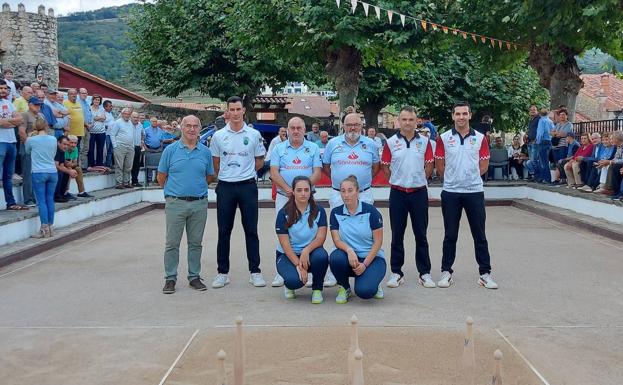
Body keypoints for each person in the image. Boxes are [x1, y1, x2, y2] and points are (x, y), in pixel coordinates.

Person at [434, 101, 498, 289]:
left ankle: (485, 273)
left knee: (479, 234)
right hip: (451, 192)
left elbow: (484, 165)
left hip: (474, 192)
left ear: (470, 115)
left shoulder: (480, 138)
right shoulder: (444, 138)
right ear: (453, 116)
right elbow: (439, 164)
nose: (461, 117)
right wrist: (453, 179)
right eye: (457, 114)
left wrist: (469, 178)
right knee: (450, 234)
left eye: (464, 114)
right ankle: (446, 272)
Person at [210, 96, 266, 288]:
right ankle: (222, 272)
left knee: (251, 230)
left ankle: (255, 271)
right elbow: (216, 164)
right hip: (225, 187)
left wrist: (245, 173)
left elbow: (259, 160)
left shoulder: (253, 134)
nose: (235, 113)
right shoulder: (218, 136)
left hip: (247, 187)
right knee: (224, 231)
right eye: (231, 110)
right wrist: (229, 175)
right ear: (227, 112)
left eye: (238, 109)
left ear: (244, 111)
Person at [157, 115, 215, 294]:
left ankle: (194, 277)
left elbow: (209, 176)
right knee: (172, 243)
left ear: (199, 129)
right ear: (181, 128)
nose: (191, 129)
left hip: (198, 204)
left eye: (195, 126)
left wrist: (196, 189)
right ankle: (170, 278)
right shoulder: (171, 150)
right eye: (188, 126)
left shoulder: (205, 152)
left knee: (196, 243)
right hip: (176, 203)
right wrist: (174, 192)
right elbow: (161, 177)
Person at [322, 112, 379, 287]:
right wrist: (344, 187)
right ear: (343, 126)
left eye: (356, 124)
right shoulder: (333, 143)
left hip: (364, 194)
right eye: (348, 125)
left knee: (366, 233)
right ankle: (335, 271)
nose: (352, 128)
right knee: (338, 233)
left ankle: (366, 266)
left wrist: (359, 185)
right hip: (339, 195)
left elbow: (375, 168)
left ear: (361, 125)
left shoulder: (371, 144)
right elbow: (326, 167)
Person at [381, 106, 435, 289]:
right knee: (397, 234)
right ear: (398, 121)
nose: (407, 123)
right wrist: (398, 180)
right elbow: (385, 167)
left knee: (421, 234)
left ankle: (425, 272)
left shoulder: (426, 142)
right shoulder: (390, 142)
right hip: (397, 193)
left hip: (419, 193)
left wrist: (418, 180)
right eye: (404, 119)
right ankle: (396, 272)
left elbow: (429, 166)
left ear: (416, 121)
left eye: (411, 120)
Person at [270, 117, 322, 287]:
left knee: (309, 230)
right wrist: (287, 189)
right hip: (284, 195)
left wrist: (302, 188)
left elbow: (317, 173)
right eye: (292, 128)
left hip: (306, 196)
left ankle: (311, 268)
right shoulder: (279, 148)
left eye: (299, 127)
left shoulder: (313, 147)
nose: (296, 131)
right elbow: (274, 172)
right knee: (284, 232)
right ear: (287, 129)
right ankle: (282, 272)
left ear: (304, 129)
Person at [329, 175, 386, 303]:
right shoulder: (335, 213)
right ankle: (344, 287)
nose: (346, 195)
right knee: (335, 257)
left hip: (372, 259)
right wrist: (349, 250)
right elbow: (337, 241)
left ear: (358, 191)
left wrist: (365, 264)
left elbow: (378, 242)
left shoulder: (371, 212)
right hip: (349, 257)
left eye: (350, 190)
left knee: (364, 292)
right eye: (343, 191)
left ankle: (374, 283)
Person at [275, 176, 329, 303]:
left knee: (322, 256)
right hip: (288, 254)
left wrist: (306, 251)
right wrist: (299, 265)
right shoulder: (283, 213)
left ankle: (317, 289)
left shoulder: (319, 211)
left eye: (306, 190)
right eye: (299, 190)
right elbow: (285, 244)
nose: (303, 193)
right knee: (295, 281)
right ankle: (289, 285)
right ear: (293, 192)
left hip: (311, 253)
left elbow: (321, 238)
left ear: (311, 191)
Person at [24, 120, 58, 238]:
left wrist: (29, 136)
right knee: (50, 199)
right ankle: (51, 226)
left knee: (41, 201)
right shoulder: (53, 139)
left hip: (38, 171)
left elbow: (27, 151)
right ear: (46, 126)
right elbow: (54, 153)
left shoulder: (31, 140)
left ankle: (44, 228)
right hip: (52, 171)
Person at [18, 96, 48, 207]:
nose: (38, 106)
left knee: (38, 173)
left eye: (39, 105)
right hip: (28, 146)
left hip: (39, 148)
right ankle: (28, 199)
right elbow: (21, 131)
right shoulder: (25, 115)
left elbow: (46, 130)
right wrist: (27, 145)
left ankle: (36, 197)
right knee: (28, 173)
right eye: (36, 104)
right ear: (30, 104)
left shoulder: (41, 116)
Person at [0, 79, 24, 210]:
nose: (3, 91)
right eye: (1, 88)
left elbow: (20, 120)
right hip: (0, 142)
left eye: (5, 88)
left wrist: (6, 121)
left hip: (11, 142)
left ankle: (10, 202)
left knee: (8, 176)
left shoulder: (8, 103)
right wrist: (12, 121)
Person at [110, 108, 135, 189]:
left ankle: (126, 182)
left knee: (128, 166)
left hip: (130, 147)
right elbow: (112, 134)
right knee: (119, 165)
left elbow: (132, 134)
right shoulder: (118, 122)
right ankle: (119, 183)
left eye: (128, 114)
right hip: (120, 146)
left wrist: (133, 145)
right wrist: (115, 146)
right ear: (122, 114)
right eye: (126, 114)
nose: (127, 115)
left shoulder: (130, 122)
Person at [63, 89, 85, 158]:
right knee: (68, 151)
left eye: (75, 93)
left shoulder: (78, 103)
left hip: (79, 132)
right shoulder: (64, 103)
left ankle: (76, 165)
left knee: (77, 151)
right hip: (70, 133)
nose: (74, 95)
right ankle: (68, 166)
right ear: (68, 95)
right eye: (72, 94)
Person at [87, 94, 107, 171]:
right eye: (95, 99)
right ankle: (91, 164)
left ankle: (99, 164)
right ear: (92, 100)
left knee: (100, 149)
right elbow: (92, 118)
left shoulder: (102, 109)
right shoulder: (89, 108)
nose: (97, 101)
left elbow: (104, 118)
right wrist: (98, 118)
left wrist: (96, 118)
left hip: (101, 132)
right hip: (91, 132)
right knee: (91, 149)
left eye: (98, 100)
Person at [54, 136, 75, 203]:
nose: (66, 146)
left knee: (66, 172)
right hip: (48, 169)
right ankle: (56, 196)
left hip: (54, 168)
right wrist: (69, 171)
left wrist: (70, 171)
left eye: (67, 145)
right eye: (64, 144)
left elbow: (62, 165)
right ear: (58, 143)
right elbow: (56, 166)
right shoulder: (56, 150)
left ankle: (62, 194)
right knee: (59, 173)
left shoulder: (62, 151)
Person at [535, 108, 553, 183]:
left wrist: (538, 141)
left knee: (542, 161)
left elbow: (540, 133)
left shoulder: (541, 121)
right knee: (546, 161)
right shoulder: (550, 121)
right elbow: (553, 132)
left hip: (542, 142)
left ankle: (546, 178)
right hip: (549, 142)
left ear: (540, 114)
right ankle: (545, 178)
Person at [78, 88, 93, 169]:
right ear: (79, 93)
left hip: (88, 128)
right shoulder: (78, 103)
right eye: (82, 93)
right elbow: (79, 117)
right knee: (81, 147)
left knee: (86, 148)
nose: (84, 94)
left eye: (86, 93)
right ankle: (79, 165)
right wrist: (87, 124)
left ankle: (83, 166)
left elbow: (89, 115)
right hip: (81, 127)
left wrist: (90, 124)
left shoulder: (87, 103)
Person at [131, 112, 145, 187]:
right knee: (128, 165)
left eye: (137, 117)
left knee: (136, 165)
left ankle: (135, 181)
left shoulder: (140, 125)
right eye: (134, 117)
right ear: (131, 117)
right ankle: (125, 182)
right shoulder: (128, 124)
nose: (136, 119)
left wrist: (142, 141)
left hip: (137, 147)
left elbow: (143, 134)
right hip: (129, 147)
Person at [103, 100, 115, 168]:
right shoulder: (103, 113)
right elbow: (103, 123)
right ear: (105, 107)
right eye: (110, 106)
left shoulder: (111, 113)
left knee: (111, 150)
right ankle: (105, 164)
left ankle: (109, 164)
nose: (111, 107)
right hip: (106, 134)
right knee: (106, 150)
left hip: (112, 134)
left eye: (111, 106)